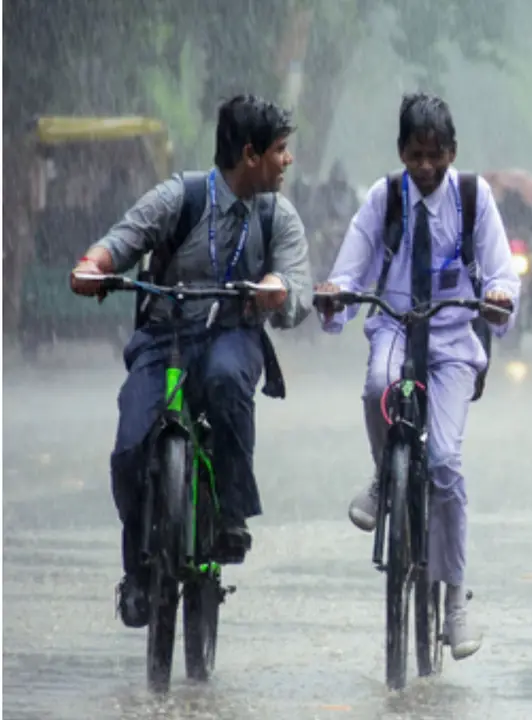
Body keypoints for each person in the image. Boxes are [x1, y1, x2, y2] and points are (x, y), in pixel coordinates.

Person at [68, 95, 313, 629]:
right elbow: (120, 242)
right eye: (280, 150)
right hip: (165, 339)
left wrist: (275, 289)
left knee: (227, 381)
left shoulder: (277, 215)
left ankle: (230, 513)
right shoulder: (179, 196)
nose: (287, 160)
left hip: (231, 335)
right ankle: (137, 571)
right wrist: (94, 265)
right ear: (250, 154)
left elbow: (296, 288)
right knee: (131, 444)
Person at [314, 93, 518, 661]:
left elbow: (502, 274)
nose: (425, 167)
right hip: (396, 329)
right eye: (414, 154)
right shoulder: (384, 199)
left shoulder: (475, 200)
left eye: (435, 155)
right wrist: (336, 294)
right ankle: (385, 478)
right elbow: (350, 270)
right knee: (378, 389)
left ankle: (454, 600)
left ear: (452, 152)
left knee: (447, 463)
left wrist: (499, 297)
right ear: (401, 151)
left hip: (453, 338)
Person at [495, 189, 532, 332]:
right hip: (500, 255)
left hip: (522, 255)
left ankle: (530, 316)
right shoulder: (496, 209)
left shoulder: (527, 210)